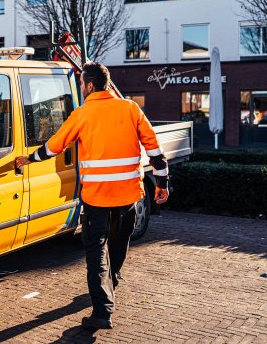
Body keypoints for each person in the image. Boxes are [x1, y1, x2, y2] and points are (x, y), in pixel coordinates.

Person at [16, 62, 169, 331]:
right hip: (128, 196)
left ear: (89, 85)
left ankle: (101, 312)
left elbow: (53, 147)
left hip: (96, 199)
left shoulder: (82, 114)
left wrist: (28, 159)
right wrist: (163, 183)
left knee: (97, 251)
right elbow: (155, 150)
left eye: (82, 84)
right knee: (119, 243)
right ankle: (112, 282)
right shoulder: (130, 108)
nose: (82, 88)